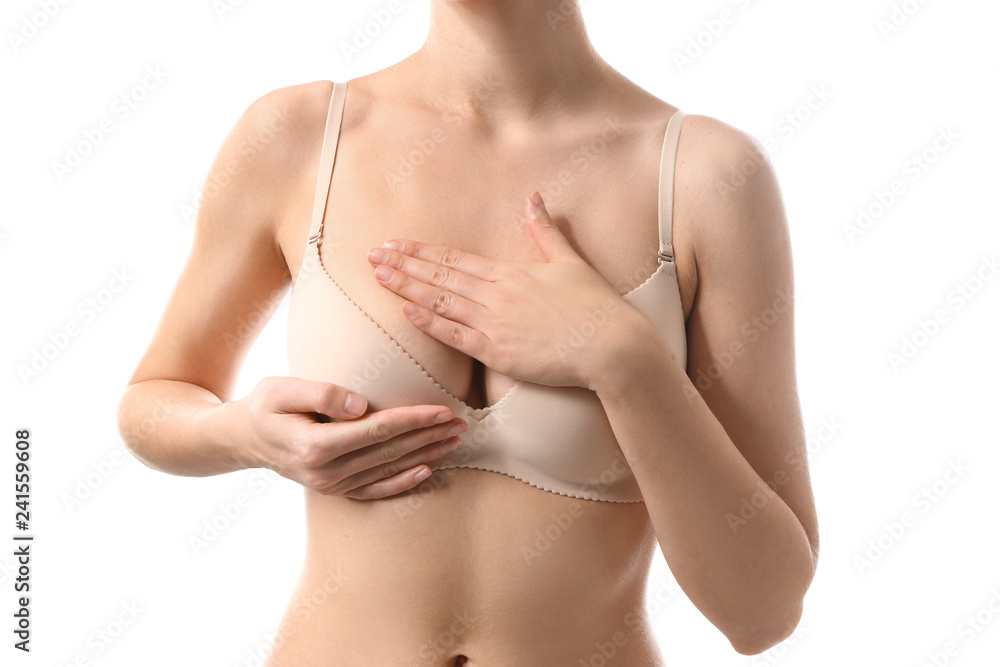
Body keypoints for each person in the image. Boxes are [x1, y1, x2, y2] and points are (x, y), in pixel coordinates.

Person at [116, 1, 819, 664]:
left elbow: (761, 612)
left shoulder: (706, 178)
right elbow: (156, 396)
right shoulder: (297, 136)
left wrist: (624, 357)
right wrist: (244, 434)